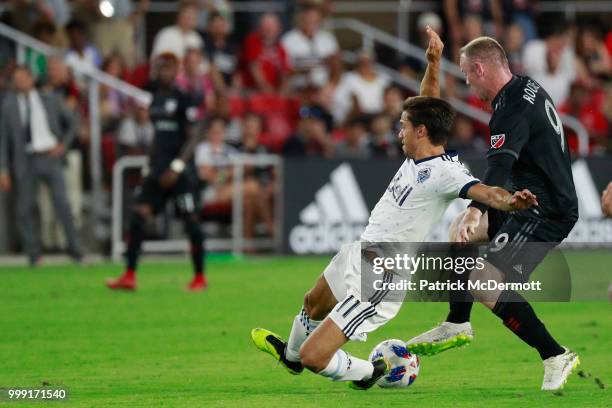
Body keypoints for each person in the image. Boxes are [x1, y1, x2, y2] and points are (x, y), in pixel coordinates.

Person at [251, 27, 537, 390]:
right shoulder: (417, 153)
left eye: (403, 127)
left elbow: (485, 193)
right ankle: (290, 358)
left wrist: (511, 200)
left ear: (420, 132)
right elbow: (429, 100)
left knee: (316, 357)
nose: (398, 132)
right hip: (359, 254)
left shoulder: (446, 173)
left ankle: (370, 372)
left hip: (382, 280)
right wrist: (433, 61)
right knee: (311, 303)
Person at [405, 36, 580, 391]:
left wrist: (476, 208)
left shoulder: (511, 109)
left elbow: (499, 165)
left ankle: (554, 354)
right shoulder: (524, 88)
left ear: (480, 68)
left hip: (545, 210)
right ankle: (457, 323)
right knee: (460, 231)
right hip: (522, 198)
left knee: (484, 280)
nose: (468, 83)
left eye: (468, 74)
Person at [106, 53, 206, 292]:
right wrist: (149, 164)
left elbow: (194, 136)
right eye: (160, 67)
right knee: (138, 215)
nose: (164, 72)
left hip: (180, 172)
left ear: (176, 70)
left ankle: (199, 277)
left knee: (191, 221)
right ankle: (129, 275)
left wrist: (177, 166)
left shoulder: (184, 98)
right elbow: (157, 137)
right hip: (158, 171)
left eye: (169, 68)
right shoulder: (154, 98)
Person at [0, 66, 82, 266]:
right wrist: (3, 169)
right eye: (15, 80)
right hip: (25, 160)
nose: (19, 83)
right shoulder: (8, 105)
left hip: (50, 157)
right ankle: (34, 255)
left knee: (62, 205)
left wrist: (63, 145)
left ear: (31, 79)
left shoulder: (49, 99)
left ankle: (75, 251)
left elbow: (73, 121)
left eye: (22, 78)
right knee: (24, 208)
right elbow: (3, 139)